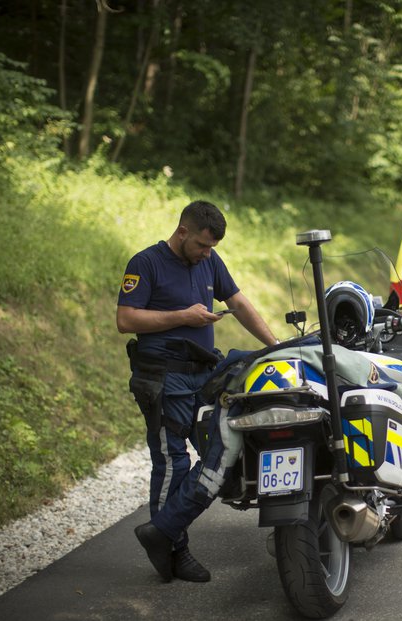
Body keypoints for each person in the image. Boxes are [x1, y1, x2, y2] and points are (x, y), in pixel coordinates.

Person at [117, 200, 277, 582]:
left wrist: (275, 345)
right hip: (163, 379)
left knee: (219, 450)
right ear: (183, 232)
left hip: (203, 377)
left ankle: (162, 532)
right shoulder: (146, 263)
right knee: (174, 464)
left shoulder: (208, 261)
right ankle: (174, 550)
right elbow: (125, 319)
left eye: (212, 249)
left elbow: (237, 302)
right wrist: (183, 317)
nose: (207, 254)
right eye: (202, 246)